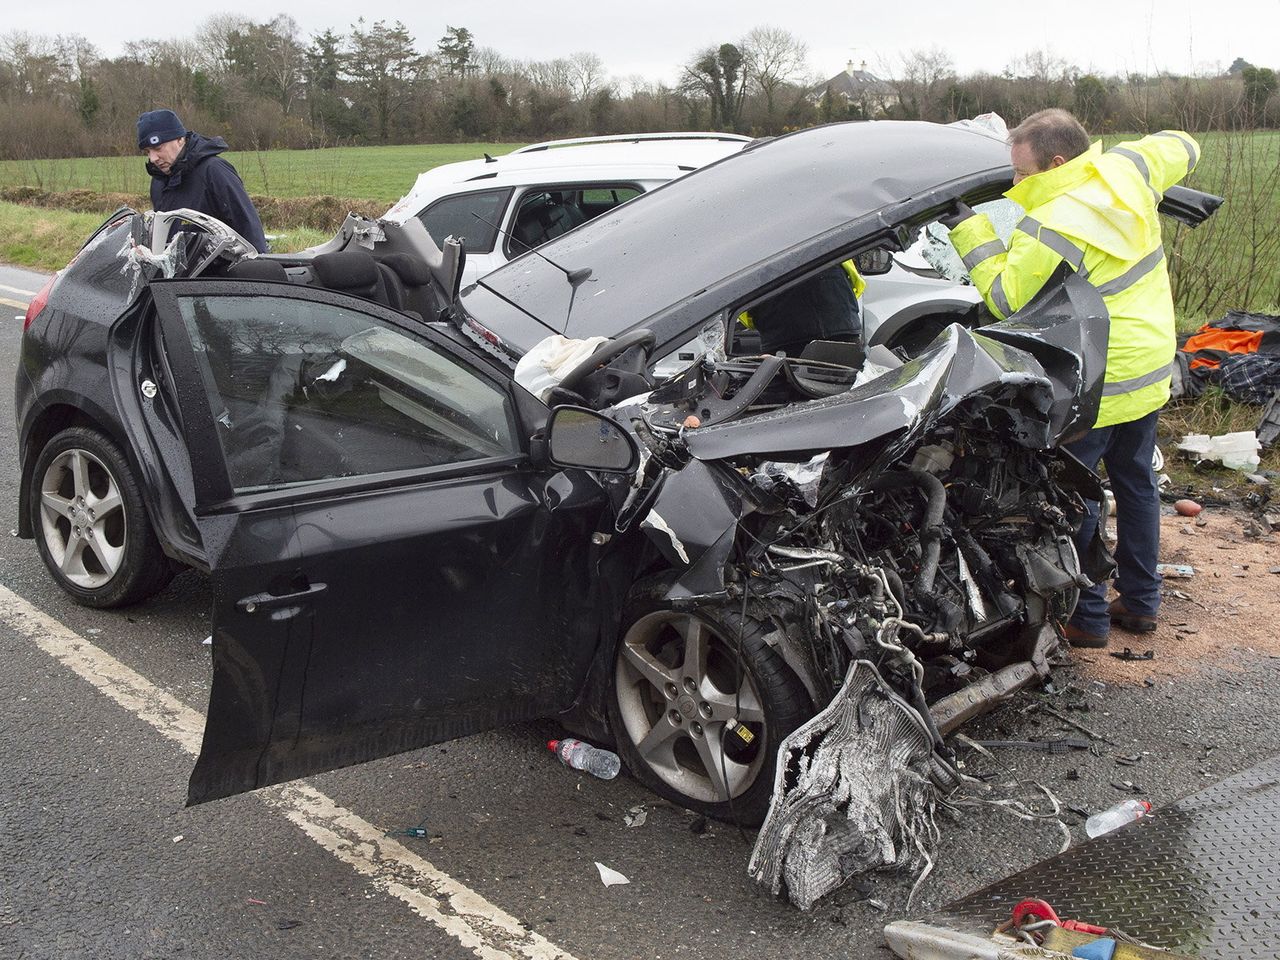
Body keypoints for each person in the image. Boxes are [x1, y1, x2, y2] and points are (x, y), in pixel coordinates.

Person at [944, 108, 1199, 649]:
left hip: (1102, 383)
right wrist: (1149, 168)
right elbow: (1183, 144)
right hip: (1152, 368)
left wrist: (969, 230)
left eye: (1021, 174)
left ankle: (1088, 620)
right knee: (1135, 485)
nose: (1015, 184)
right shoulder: (1127, 168)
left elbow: (1006, 298)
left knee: (1076, 499)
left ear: (1057, 163)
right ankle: (1141, 601)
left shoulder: (1054, 221)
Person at [138, 109, 269, 253]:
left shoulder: (214, 171)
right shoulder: (159, 182)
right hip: (177, 273)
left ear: (180, 139)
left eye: (158, 148)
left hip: (219, 273)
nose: (153, 158)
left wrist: (261, 269)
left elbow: (249, 228)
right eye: (147, 152)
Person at [741, 260, 865, 357]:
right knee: (854, 380)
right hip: (840, 321)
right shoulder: (820, 232)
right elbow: (855, 282)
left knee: (786, 385)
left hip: (782, 334)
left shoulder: (749, 241)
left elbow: (743, 310)